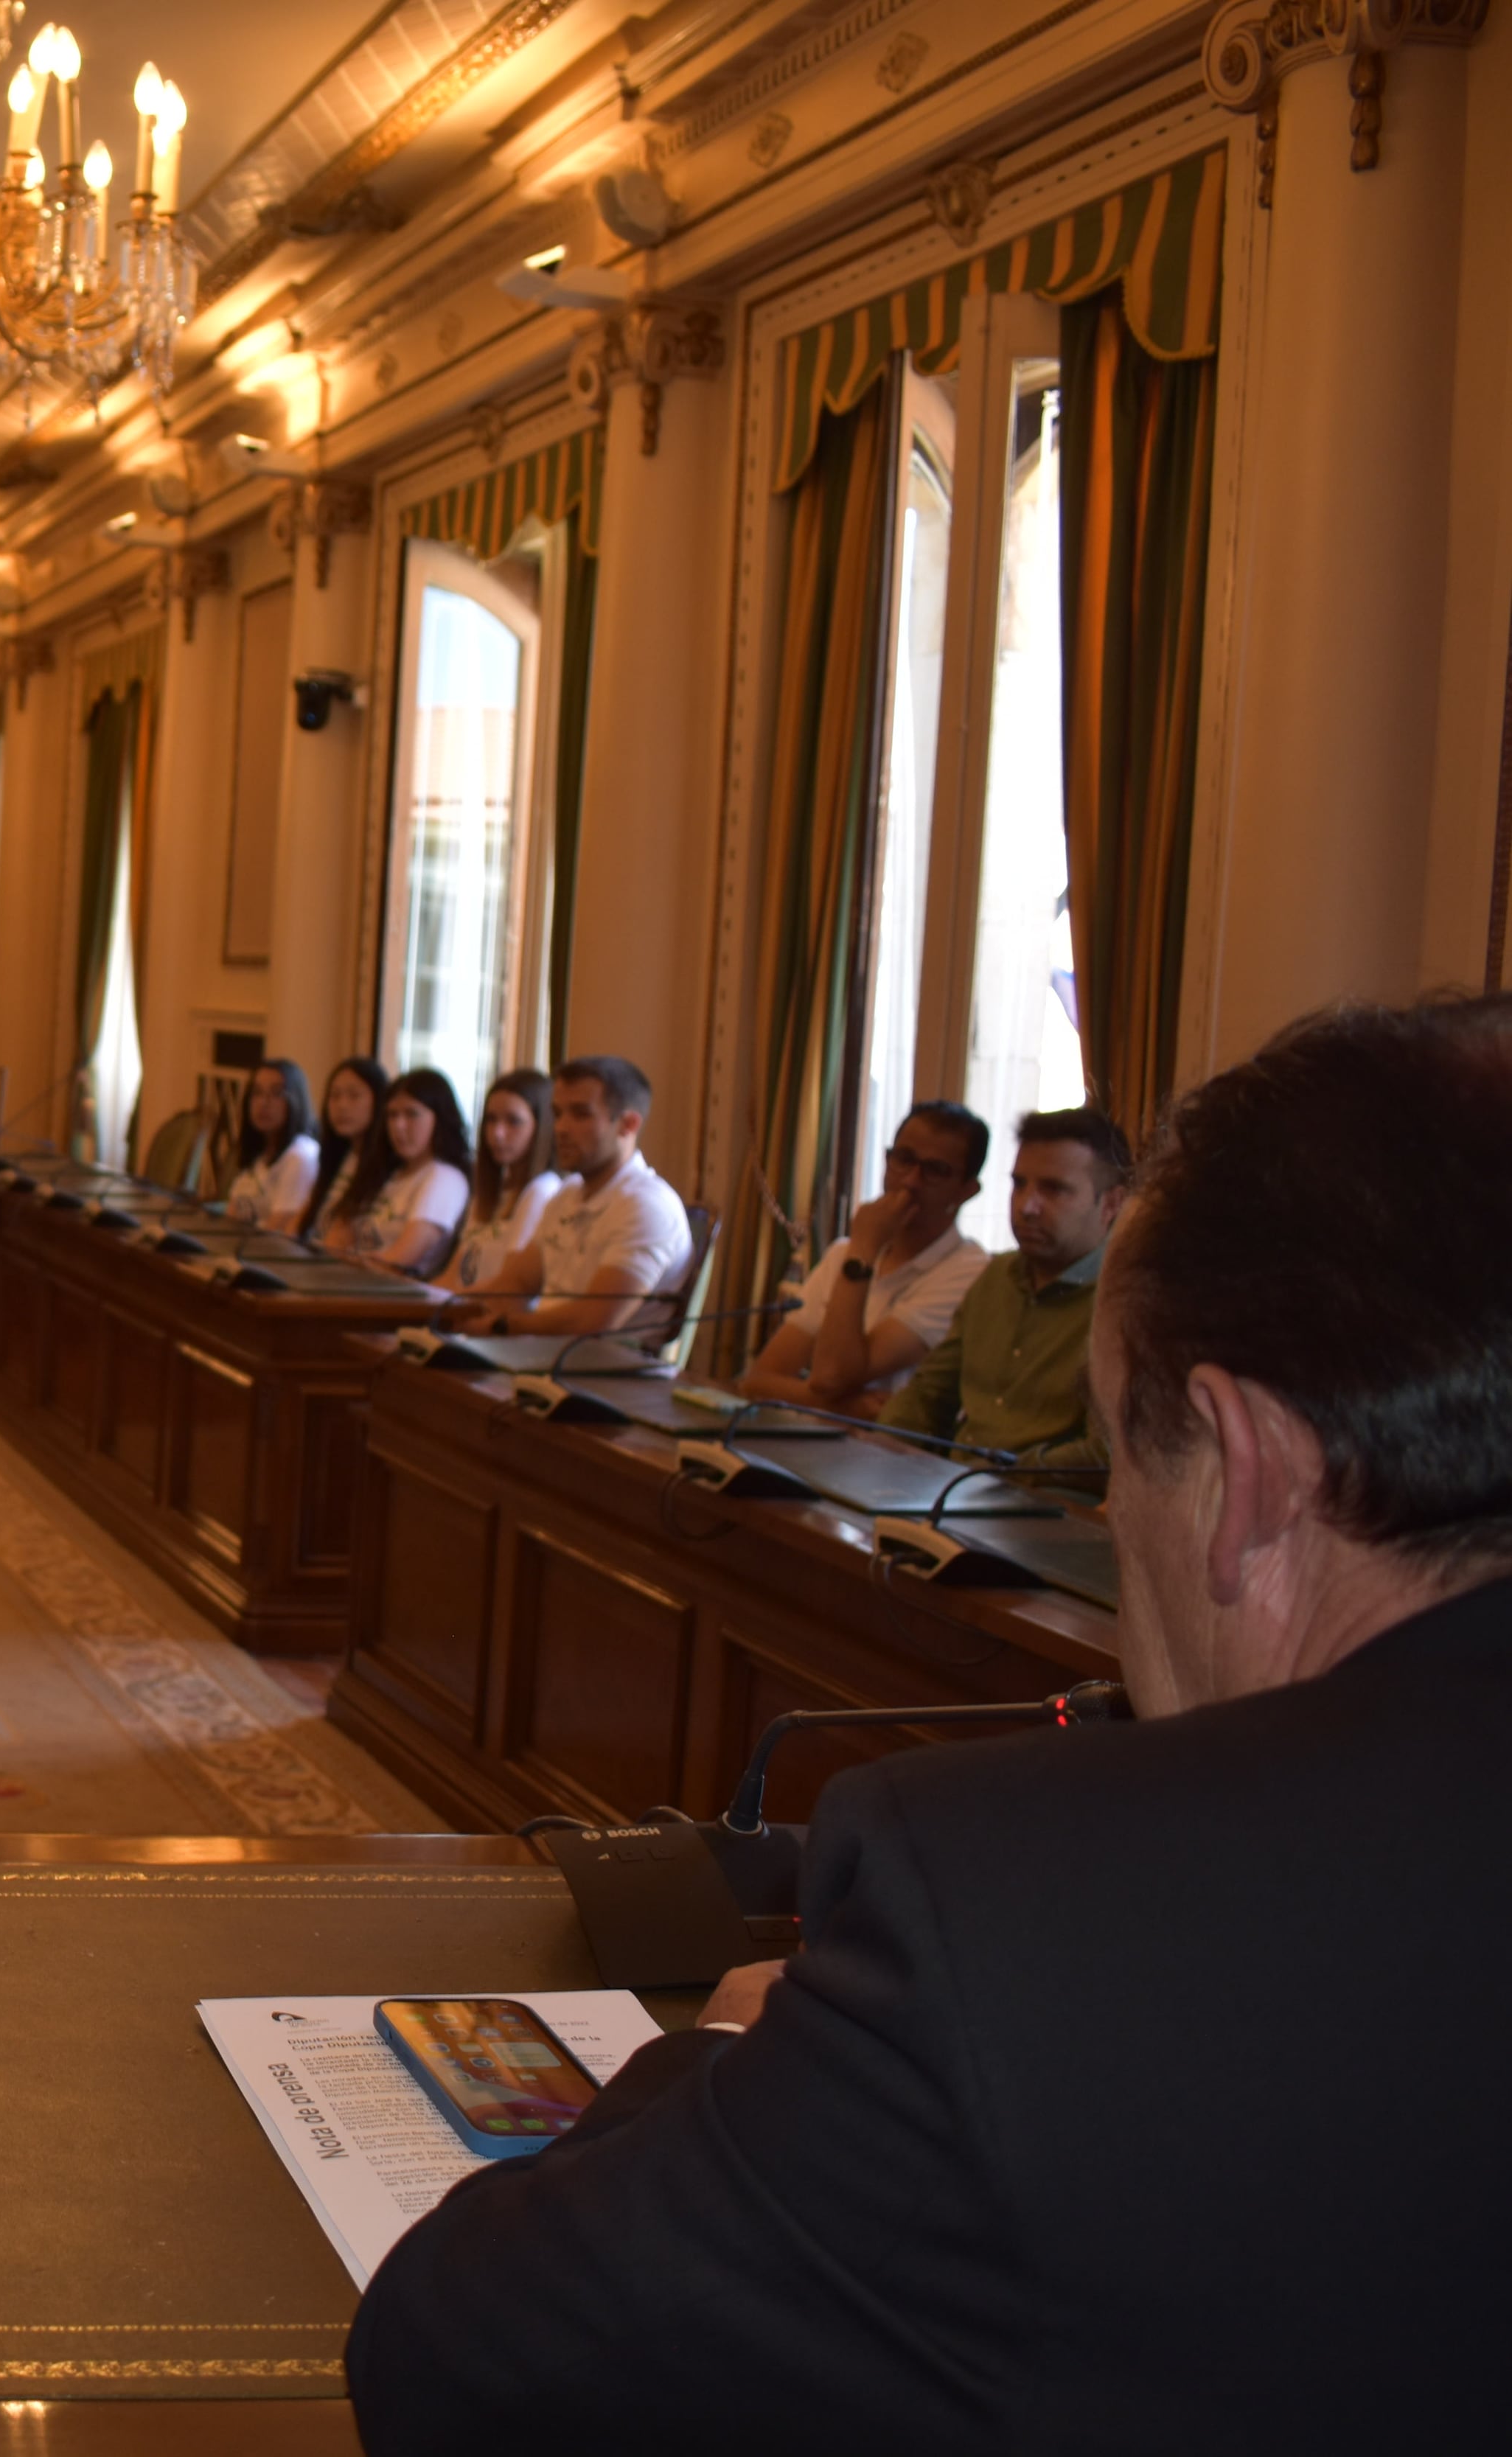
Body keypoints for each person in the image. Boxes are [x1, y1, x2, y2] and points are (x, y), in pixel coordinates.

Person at [347, 993, 1512, 2451]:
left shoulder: (1008, 1897)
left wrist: (714, 2047)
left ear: (1246, 1467)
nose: (1112, 1507)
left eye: (1120, 1449)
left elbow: (463, 2350)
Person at [877, 1106, 1129, 1460]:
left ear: (1112, 1204)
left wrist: (998, 1477)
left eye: (1054, 1190)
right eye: (1019, 1184)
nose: (1027, 1207)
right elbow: (927, 1397)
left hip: (1044, 1502)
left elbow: (1103, 1453)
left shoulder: (1128, 1301)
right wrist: (876, 1453)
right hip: (957, 1490)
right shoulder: (996, 1276)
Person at [736, 1098, 992, 1414]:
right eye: (903, 1159)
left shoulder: (969, 1271)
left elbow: (831, 1376)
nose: (911, 1181)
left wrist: (864, 1250)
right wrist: (850, 1408)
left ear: (967, 1190)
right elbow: (759, 1381)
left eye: (935, 1171)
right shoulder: (846, 1253)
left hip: (898, 1457)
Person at [449, 1056, 694, 1338]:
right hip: (541, 1354)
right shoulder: (568, 1193)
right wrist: (444, 1308)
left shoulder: (646, 1205)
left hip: (601, 1373)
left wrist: (501, 1327)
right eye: (558, 1113)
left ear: (628, 1124)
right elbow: (515, 1284)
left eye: (580, 1114)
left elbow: (592, 1322)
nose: (561, 1128)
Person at [316, 1070, 473, 1275]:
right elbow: (335, 1243)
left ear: (440, 1118)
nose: (398, 1126)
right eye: (392, 1115)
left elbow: (398, 1261)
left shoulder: (444, 1177)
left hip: (397, 1297)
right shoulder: (385, 1171)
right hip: (351, 1282)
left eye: (411, 1114)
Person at [441, 1068, 565, 1293]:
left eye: (513, 1121)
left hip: (493, 1319)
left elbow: (508, 1285)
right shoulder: (491, 1191)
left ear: (542, 1128)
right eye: (491, 1120)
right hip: (458, 1314)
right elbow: (453, 1276)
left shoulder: (542, 1189)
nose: (497, 1133)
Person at [296, 1056, 390, 1238]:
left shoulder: (383, 1167)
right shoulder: (339, 1156)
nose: (342, 1106)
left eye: (354, 1096)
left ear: (380, 1102)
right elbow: (301, 1223)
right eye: (335, 1096)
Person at [223, 1060, 318, 1228]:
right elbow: (232, 1215)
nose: (264, 1103)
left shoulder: (300, 1155)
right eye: (257, 1093)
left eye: (276, 1093)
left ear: (295, 1100)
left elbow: (278, 1231)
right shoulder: (259, 1151)